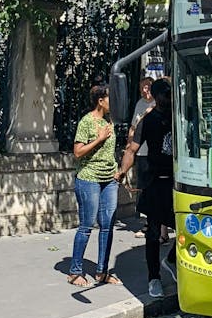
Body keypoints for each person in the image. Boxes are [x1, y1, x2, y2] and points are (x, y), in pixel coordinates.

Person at [117, 78, 177, 299]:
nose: (170, 98)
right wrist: (123, 170)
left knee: (188, 229)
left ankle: (171, 260)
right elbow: (132, 149)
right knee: (152, 233)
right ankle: (154, 278)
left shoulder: (179, 116)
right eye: (166, 94)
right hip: (155, 182)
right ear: (158, 96)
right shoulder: (148, 120)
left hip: (177, 182)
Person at [67, 84, 119, 286]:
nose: (113, 103)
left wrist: (117, 170)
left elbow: (110, 151)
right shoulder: (87, 122)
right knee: (87, 225)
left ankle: (102, 271)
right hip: (89, 178)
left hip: (109, 179)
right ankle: (75, 271)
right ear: (101, 101)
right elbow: (78, 152)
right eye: (110, 98)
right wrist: (98, 139)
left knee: (107, 226)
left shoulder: (109, 121)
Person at [128, 77, 155, 237]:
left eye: (148, 87)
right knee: (143, 188)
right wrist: (129, 146)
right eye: (142, 87)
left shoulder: (157, 104)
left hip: (153, 152)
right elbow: (133, 126)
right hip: (141, 152)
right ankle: (147, 222)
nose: (145, 90)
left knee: (153, 188)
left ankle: (154, 224)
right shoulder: (140, 104)